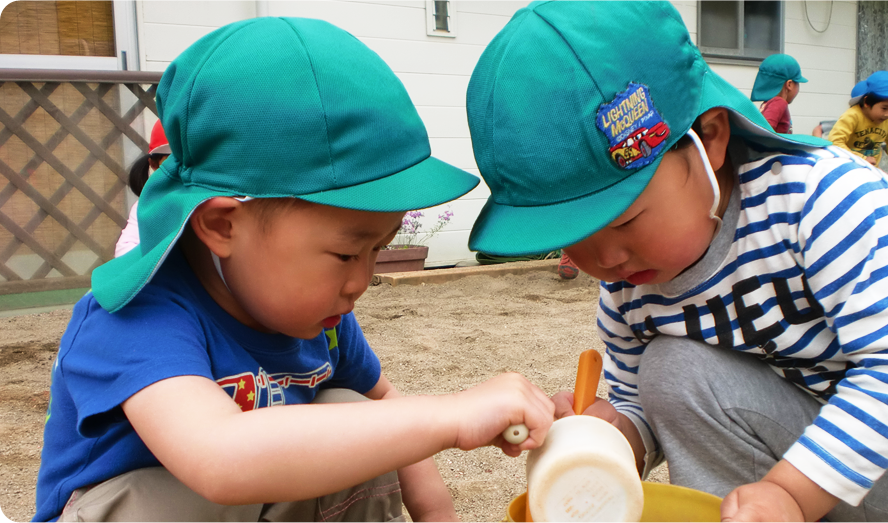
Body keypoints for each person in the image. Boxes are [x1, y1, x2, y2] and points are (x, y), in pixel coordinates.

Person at [465, 1, 888, 522]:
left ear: (711, 139)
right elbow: (641, 406)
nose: (605, 258)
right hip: (807, 449)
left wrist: (791, 494)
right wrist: (606, 442)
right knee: (673, 369)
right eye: (572, 237)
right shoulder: (628, 293)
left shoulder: (827, 199)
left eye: (626, 220)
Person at [33, 17, 554, 523]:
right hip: (166, 500)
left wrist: (438, 514)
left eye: (380, 249)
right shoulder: (135, 318)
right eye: (347, 254)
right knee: (194, 489)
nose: (361, 281)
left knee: (354, 412)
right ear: (222, 226)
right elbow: (220, 459)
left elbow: (386, 403)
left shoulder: (318, 317)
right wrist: (450, 414)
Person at [829, 71, 888, 175]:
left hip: (871, 170)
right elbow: (835, 142)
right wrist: (862, 158)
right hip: (846, 169)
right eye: (884, 108)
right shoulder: (852, 116)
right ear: (866, 102)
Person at [115, 119, 170, 257]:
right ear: (153, 165)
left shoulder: (216, 197)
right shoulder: (147, 205)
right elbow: (124, 250)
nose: (182, 169)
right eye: (171, 161)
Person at [750, 54, 808, 134]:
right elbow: (764, 131)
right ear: (789, 85)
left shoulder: (770, 103)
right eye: (797, 83)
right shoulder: (778, 103)